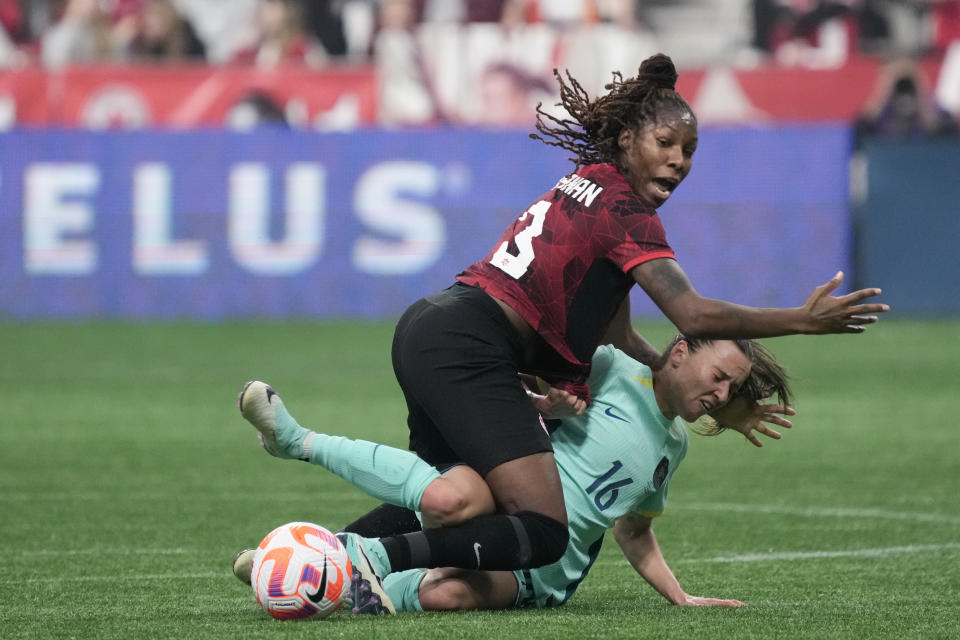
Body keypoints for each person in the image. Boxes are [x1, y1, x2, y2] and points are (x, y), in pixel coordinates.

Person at [256, 51, 885, 614]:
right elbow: (690, 319)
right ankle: (371, 552)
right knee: (543, 530)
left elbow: (628, 343)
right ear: (629, 137)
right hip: (471, 343)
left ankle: (322, 556)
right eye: (666, 143)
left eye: (689, 152)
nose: (678, 161)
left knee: (458, 496)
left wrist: (727, 401)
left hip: (437, 324)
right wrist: (803, 320)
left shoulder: (590, 183)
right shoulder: (624, 212)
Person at [234, 335, 792, 613]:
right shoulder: (610, 365)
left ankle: (324, 571)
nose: (720, 394)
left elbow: (635, 532)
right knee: (457, 494)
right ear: (678, 352)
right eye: (719, 376)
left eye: (729, 391)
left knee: (448, 595)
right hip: (504, 500)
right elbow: (520, 386)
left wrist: (681, 595)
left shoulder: (673, 449)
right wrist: (545, 404)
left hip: (543, 569)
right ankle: (302, 464)